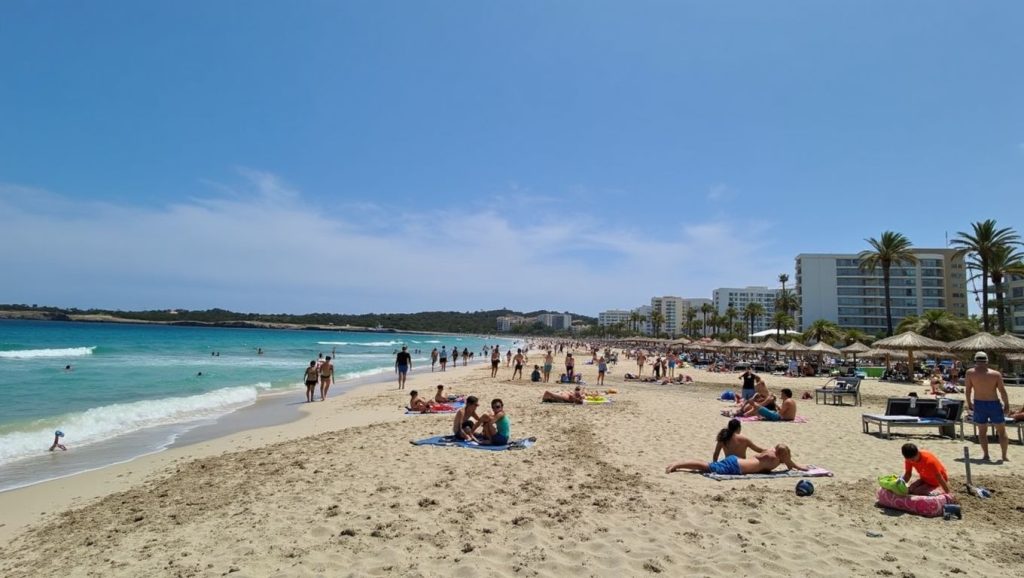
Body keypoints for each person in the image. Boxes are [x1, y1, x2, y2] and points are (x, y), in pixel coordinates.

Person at [965, 351, 1010, 461]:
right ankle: (1004, 456)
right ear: (987, 361)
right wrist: (1007, 405)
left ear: (975, 360)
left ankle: (986, 455)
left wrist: (969, 403)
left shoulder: (970, 373)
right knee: (1001, 431)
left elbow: (968, 390)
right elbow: (1002, 391)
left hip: (979, 403)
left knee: (982, 432)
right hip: (993, 403)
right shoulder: (995, 374)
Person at [665, 444, 807, 475]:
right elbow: (790, 465)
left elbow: (788, 461)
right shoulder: (774, 459)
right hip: (737, 467)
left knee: (706, 465)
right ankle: (677, 464)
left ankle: (678, 464)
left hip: (736, 461)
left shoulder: (769, 451)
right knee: (705, 467)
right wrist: (800, 467)